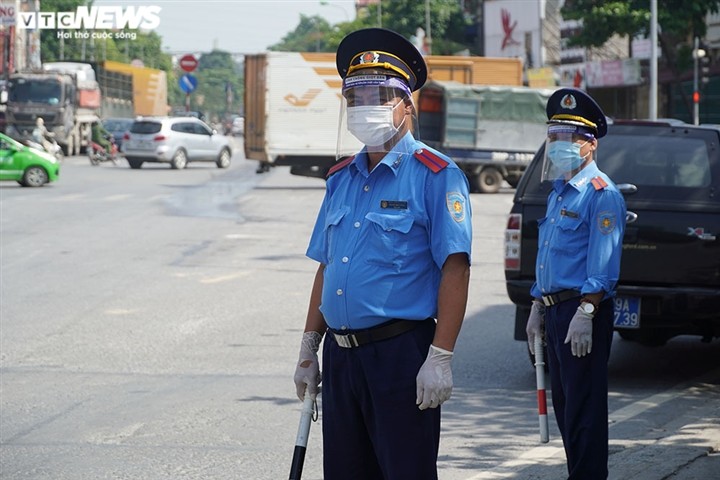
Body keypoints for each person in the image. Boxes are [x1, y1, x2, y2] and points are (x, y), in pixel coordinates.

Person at [293, 28, 472, 480]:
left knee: (405, 472)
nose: (363, 107)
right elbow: (326, 265)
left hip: (399, 354)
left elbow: (455, 267)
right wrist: (308, 348)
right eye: (355, 98)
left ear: (407, 103)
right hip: (342, 356)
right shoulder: (341, 178)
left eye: (378, 95)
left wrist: (441, 356)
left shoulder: (436, 175)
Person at [525, 88, 626, 480]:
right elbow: (549, 257)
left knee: (583, 410)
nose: (558, 144)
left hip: (581, 310)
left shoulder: (601, 194)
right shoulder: (559, 192)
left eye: (569, 137)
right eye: (554, 136)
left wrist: (587, 311)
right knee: (566, 407)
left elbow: (603, 262)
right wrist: (536, 306)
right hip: (554, 310)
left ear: (590, 144)